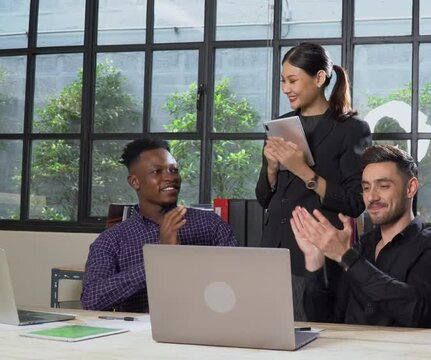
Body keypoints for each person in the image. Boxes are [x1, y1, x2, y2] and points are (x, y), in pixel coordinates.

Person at [255, 42, 372, 320]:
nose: (286, 88)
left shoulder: (352, 129)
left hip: (316, 259)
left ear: (319, 78)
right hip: (271, 253)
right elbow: (264, 198)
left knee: (314, 336)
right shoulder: (280, 126)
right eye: (283, 81)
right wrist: (271, 168)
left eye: (293, 80)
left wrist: (304, 171)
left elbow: (355, 203)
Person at [290, 145, 431, 327]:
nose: (371, 197)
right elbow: (324, 321)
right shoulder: (361, 247)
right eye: (366, 188)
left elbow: (418, 313)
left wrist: (347, 257)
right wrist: (314, 261)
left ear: (410, 188)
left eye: (383, 186)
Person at [82, 137, 237, 312]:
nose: (170, 177)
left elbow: (239, 281)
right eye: (157, 172)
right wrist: (160, 257)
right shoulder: (112, 240)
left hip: (205, 328)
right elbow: (91, 299)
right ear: (135, 182)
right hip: (141, 335)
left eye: (173, 170)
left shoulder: (211, 225)